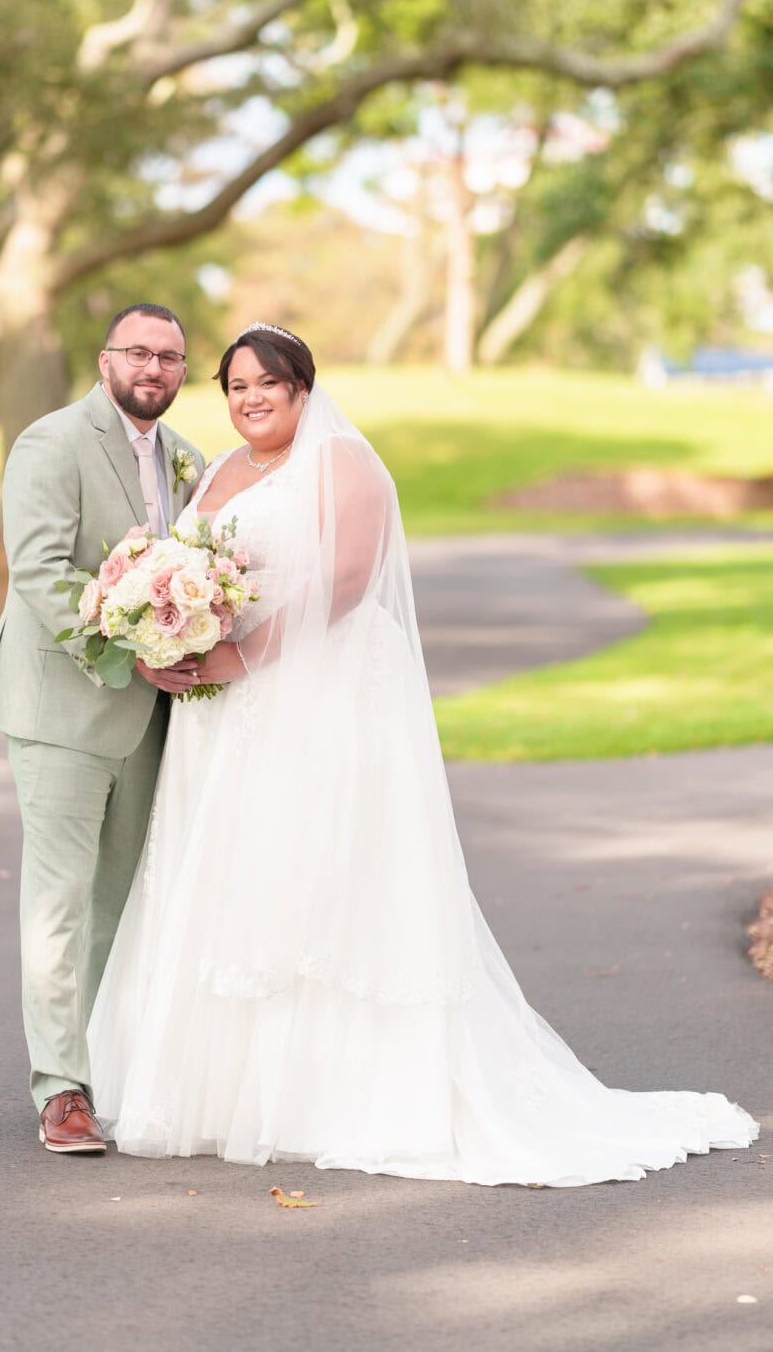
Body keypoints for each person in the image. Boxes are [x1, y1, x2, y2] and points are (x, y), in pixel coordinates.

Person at [85, 321, 758, 1185]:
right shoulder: (217, 471)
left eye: (268, 383)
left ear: (303, 387)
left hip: (321, 692)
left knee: (324, 869)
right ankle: (227, 1093)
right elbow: (189, 571)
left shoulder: (346, 465)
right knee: (237, 869)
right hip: (227, 708)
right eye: (235, 385)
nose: (250, 399)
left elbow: (346, 581)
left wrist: (242, 652)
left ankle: (342, 1092)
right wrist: (172, 629)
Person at [0, 303, 204, 1153]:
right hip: (64, 706)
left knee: (119, 902)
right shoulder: (51, 442)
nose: (155, 368)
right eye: (140, 352)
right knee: (60, 903)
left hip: (150, 717)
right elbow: (37, 567)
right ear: (105, 359)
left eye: (172, 358)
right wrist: (133, 647)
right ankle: (60, 1091)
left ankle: (103, 1067)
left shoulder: (187, 460)